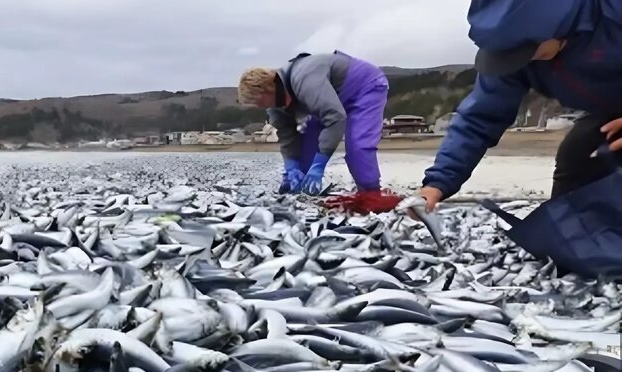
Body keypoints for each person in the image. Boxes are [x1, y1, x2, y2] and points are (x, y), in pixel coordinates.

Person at [418, 0, 622, 213]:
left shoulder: (611, 14)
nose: (521, 61)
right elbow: (479, 117)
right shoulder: (511, 55)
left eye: (528, 52)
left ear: (554, 25)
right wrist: (437, 184)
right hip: (606, 115)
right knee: (577, 156)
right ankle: (572, 234)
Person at [238, 52, 389, 196]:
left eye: (258, 102)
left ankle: (371, 193)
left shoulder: (305, 82)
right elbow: (287, 135)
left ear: (268, 90)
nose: (260, 107)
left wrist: (319, 165)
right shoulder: (276, 108)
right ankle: (298, 188)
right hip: (329, 100)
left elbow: (336, 118)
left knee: (358, 146)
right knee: (305, 148)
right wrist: (292, 167)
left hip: (364, 87)